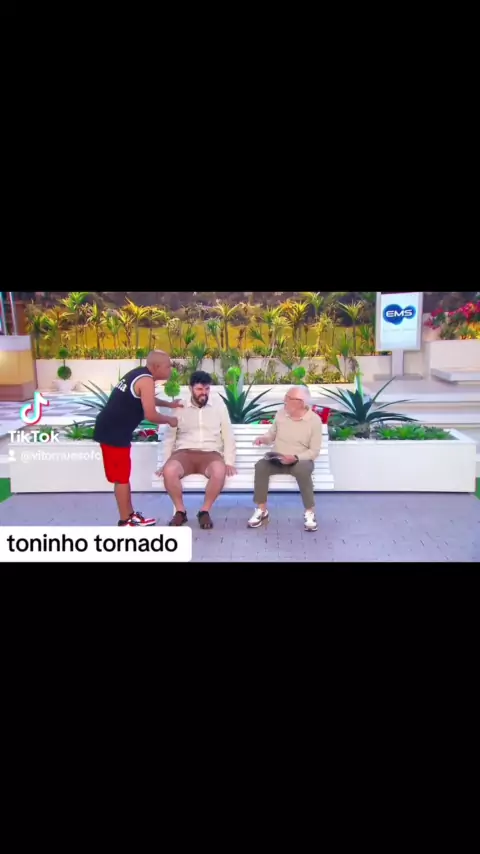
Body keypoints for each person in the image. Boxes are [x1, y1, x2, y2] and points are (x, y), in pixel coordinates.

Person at [94, 350, 183, 527]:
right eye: (168, 366)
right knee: (121, 478)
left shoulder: (139, 374)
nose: (170, 370)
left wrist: (169, 404)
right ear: (156, 367)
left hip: (114, 430)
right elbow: (151, 415)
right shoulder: (146, 380)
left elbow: (147, 399)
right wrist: (169, 420)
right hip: (114, 432)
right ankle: (125, 520)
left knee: (123, 476)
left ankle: (130, 515)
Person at [155, 370, 236, 529]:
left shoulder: (218, 405)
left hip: (211, 453)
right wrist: (164, 463)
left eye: (207, 389)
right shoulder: (180, 406)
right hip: (184, 452)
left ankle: (204, 511)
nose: (203, 393)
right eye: (199, 389)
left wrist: (229, 462)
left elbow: (228, 434)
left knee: (219, 471)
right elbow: (170, 437)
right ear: (190, 388)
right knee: (169, 471)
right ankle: (180, 511)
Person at [247, 385, 322, 532]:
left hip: (300, 460)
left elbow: (314, 451)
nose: (284, 400)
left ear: (300, 402)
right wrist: (264, 439)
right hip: (279, 458)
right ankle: (262, 510)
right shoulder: (281, 414)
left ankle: (309, 512)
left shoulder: (314, 421)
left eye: (288, 398)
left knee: (302, 471)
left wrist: (295, 457)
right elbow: (272, 434)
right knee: (261, 466)